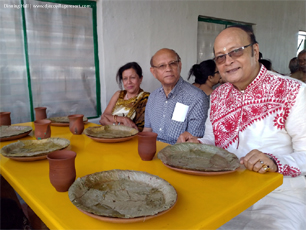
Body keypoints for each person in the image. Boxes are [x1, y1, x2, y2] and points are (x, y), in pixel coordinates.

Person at [178, 25, 306, 229]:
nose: (228, 61)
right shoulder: (218, 96)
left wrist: (274, 161)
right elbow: (213, 140)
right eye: (220, 57)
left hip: (279, 198)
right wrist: (198, 142)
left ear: (255, 51)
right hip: (226, 192)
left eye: (236, 51)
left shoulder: (294, 91)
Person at [143, 48, 208, 145]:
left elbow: (194, 139)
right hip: (153, 152)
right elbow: (147, 130)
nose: (168, 69)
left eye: (172, 63)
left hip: (179, 154)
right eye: (162, 66)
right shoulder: (153, 97)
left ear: (179, 66)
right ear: (153, 72)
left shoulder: (196, 97)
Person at [99, 62, 150, 131]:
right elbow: (104, 117)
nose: (129, 82)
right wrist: (124, 119)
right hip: (110, 136)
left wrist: (109, 123)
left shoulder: (146, 98)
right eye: (125, 79)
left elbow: (135, 129)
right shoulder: (118, 94)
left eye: (132, 77)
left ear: (140, 79)